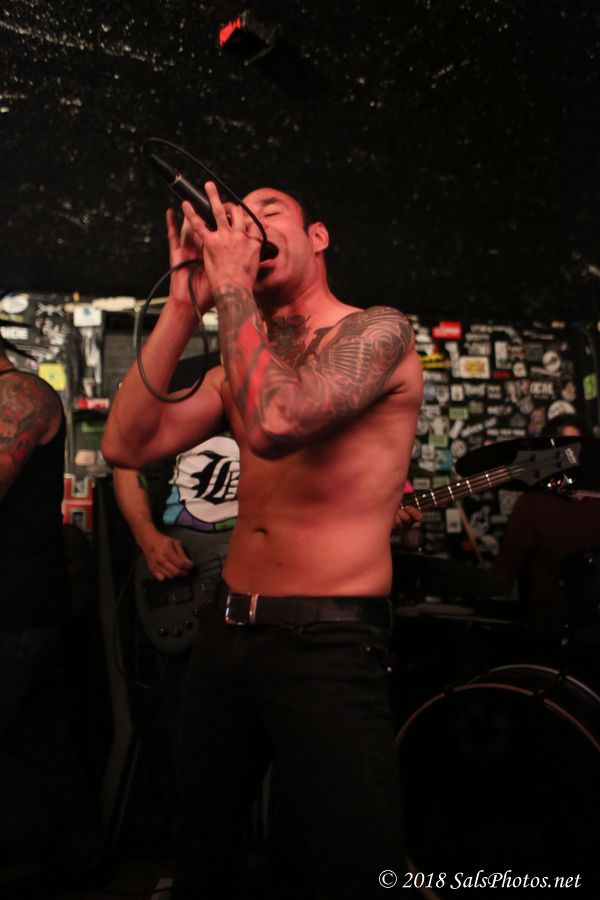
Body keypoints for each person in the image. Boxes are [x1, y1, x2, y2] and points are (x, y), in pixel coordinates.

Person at [101, 183, 423, 899]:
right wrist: (184, 303)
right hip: (227, 630)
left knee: (353, 866)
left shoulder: (378, 332)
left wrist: (231, 288)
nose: (248, 224)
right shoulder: (240, 367)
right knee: (201, 852)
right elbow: (126, 444)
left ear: (318, 237)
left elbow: (280, 422)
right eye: (239, 217)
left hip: (326, 640)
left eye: (268, 211)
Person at [0, 334, 106, 896]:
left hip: (15, 608)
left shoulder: (21, 394)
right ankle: (81, 856)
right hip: (21, 609)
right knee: (41, 739)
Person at [493, 413, 600, 678]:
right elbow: (505, 571)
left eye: (579, 451)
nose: (573, 459)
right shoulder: (531, 505)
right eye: (566, 453)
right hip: (549, 630)